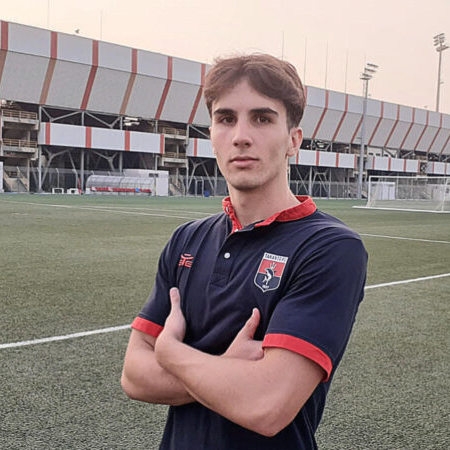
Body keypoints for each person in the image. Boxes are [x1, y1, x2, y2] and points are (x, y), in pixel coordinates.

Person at [121, 53, 367, 450]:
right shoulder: (186, 240)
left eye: (262, 119)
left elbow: (265, 405)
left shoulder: (330, 247)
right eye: (226, 119)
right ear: (212, 134)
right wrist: (226, 369)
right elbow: (134, 375)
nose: (240, 136)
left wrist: (169, 352)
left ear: (293, 140)